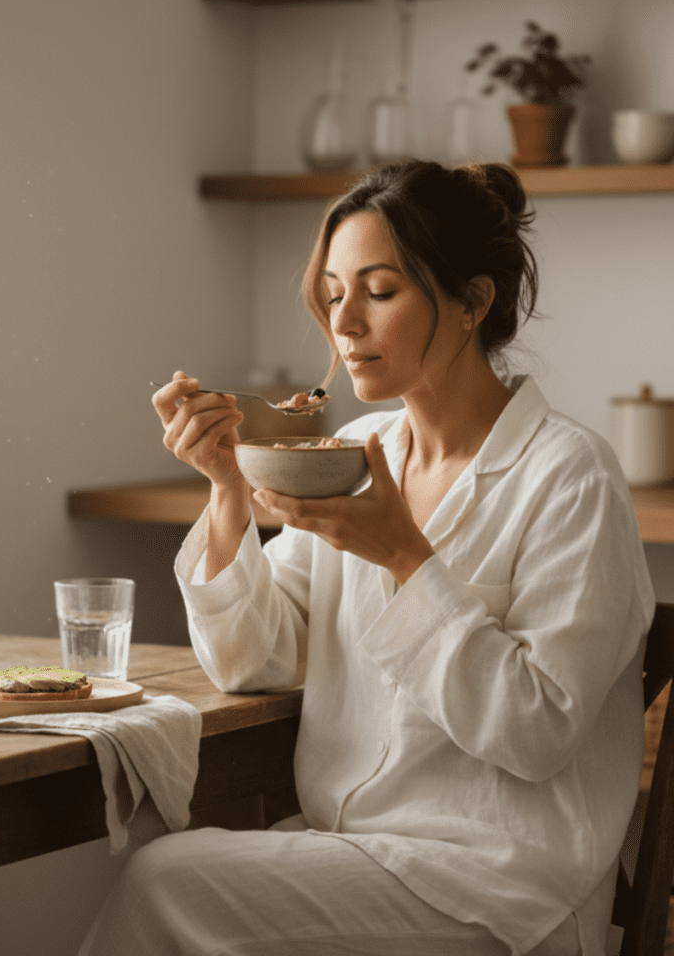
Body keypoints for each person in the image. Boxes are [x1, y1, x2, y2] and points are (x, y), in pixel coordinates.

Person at [79, 160, 655, 956]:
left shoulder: (569, 474)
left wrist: (402, 555)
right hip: (351, 857)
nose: (344, 324)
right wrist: (225, 490)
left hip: (505, 890)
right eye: (334, 292)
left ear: (472, 303)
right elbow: (255, 660)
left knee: (166, 879)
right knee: (174, 877)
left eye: (379, 293)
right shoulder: (354, 451)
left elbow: (540, 730)